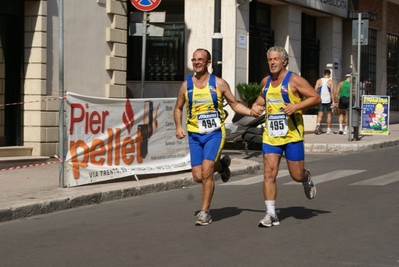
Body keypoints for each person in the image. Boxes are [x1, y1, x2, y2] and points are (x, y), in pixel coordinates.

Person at [174, 48, 262, 226]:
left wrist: (251, 112)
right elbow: (178, 108)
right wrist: (178, 126)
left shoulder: (219, 84)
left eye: (201, 60)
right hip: (195, 135)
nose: (197, 63)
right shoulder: (186, 85)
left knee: (206, 172)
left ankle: (205, 212)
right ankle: (222, 165)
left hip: (214, 134)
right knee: (198, 176)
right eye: (194, 60)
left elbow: (235, 104)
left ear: (208, 63)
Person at [251, 46, 321, 228]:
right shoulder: (266, 81)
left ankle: (306, 179)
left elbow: (315, 97)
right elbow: (261, 98)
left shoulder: (295, 80)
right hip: (271, 135)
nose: (272, 63)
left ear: (284, 61)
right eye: (270, 60)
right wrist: (256, 106)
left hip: (292, 135)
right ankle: (271, 214)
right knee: (269, 173)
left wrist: (296, 107)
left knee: (296, 174)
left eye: (276, 59)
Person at [314, 69, 335, 135]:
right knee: (329, 114)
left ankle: (318, 125)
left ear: (323, 74)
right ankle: (328, 129)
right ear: (329, 75)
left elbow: (315, 90)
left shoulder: (319, 81)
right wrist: (333, 101)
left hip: (321, 99)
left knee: (320, 114)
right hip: (328, 99)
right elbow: (331, 92)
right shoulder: (330, 82)